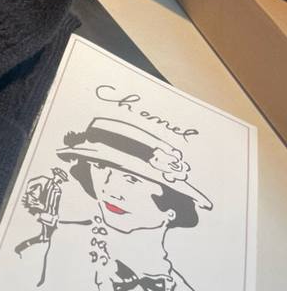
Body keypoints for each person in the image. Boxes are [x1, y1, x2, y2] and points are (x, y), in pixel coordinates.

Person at [56, 118, 213, 291]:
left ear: (171, 209)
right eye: (100, 166)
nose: (109, 190)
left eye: (132, 179)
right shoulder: (57, 242)